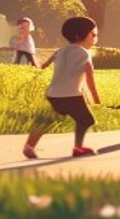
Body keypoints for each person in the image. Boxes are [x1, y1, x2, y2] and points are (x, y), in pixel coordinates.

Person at [23, 16, 100, 159]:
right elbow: (90, 80)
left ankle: (29, 146)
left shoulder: (60, 51)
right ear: (79, 36)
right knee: (86, 120)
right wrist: (96, 99)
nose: (95, 39)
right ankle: (78, 147)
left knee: (49, 119)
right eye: (93, 35)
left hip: (53, 94)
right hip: (71, 95)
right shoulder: (85, 54)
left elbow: (43, 66)